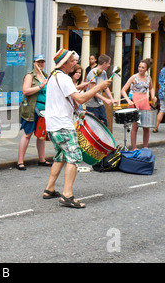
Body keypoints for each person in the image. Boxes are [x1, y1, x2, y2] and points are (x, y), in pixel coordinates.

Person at [43, 48, 111, 208]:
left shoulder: (54, 76)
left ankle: (49, 189)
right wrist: (97, 87)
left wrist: (82, 86)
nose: (75, 63)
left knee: (61, 156)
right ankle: (67, 195)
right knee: (74, 156)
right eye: (73, 61)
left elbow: (67, 94)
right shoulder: (65, 78)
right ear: (65, 63)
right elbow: (80, 100)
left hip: (52, 124)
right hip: (63, 125)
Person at [16, 54, 51, 171]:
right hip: (31, 109)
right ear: (34, 63)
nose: (41, 64)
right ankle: (20, 161)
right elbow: (25, 91)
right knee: (27, 134)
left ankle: (42, 159)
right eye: (38, 62)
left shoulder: (46, 76)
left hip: (44, 110)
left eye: (43, 62)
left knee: (41, 135)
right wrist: (40, 87)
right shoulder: (30, 76)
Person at [121, 58, 157, 150]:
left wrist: (153, 96)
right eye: (139, 67)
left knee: (146, 126)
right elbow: (123, 90)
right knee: (135, 126)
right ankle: (134, 147)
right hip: (135, 100)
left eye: (143, 67)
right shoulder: (133, 77)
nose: (140, 69)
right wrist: (128, 100)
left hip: (145, 100)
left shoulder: (148, 77)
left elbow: (151, 88)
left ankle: (145, 147)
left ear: (146, 69)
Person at [85, 54, 117, 126]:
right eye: (108, 63)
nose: (109, 65)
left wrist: (112, 99)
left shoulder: (103, 73)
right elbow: (92, 91)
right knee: (94, 127)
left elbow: (106, 87)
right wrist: (105, 99)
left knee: (104, 124)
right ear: (104, 63)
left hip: (99, 103)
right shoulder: (93, 73)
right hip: (92, 105)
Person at [153, 63, 165, 133]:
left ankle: (155, 127)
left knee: (162, 110)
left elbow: (160, 84)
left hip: (162, 93)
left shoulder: (162, 70)